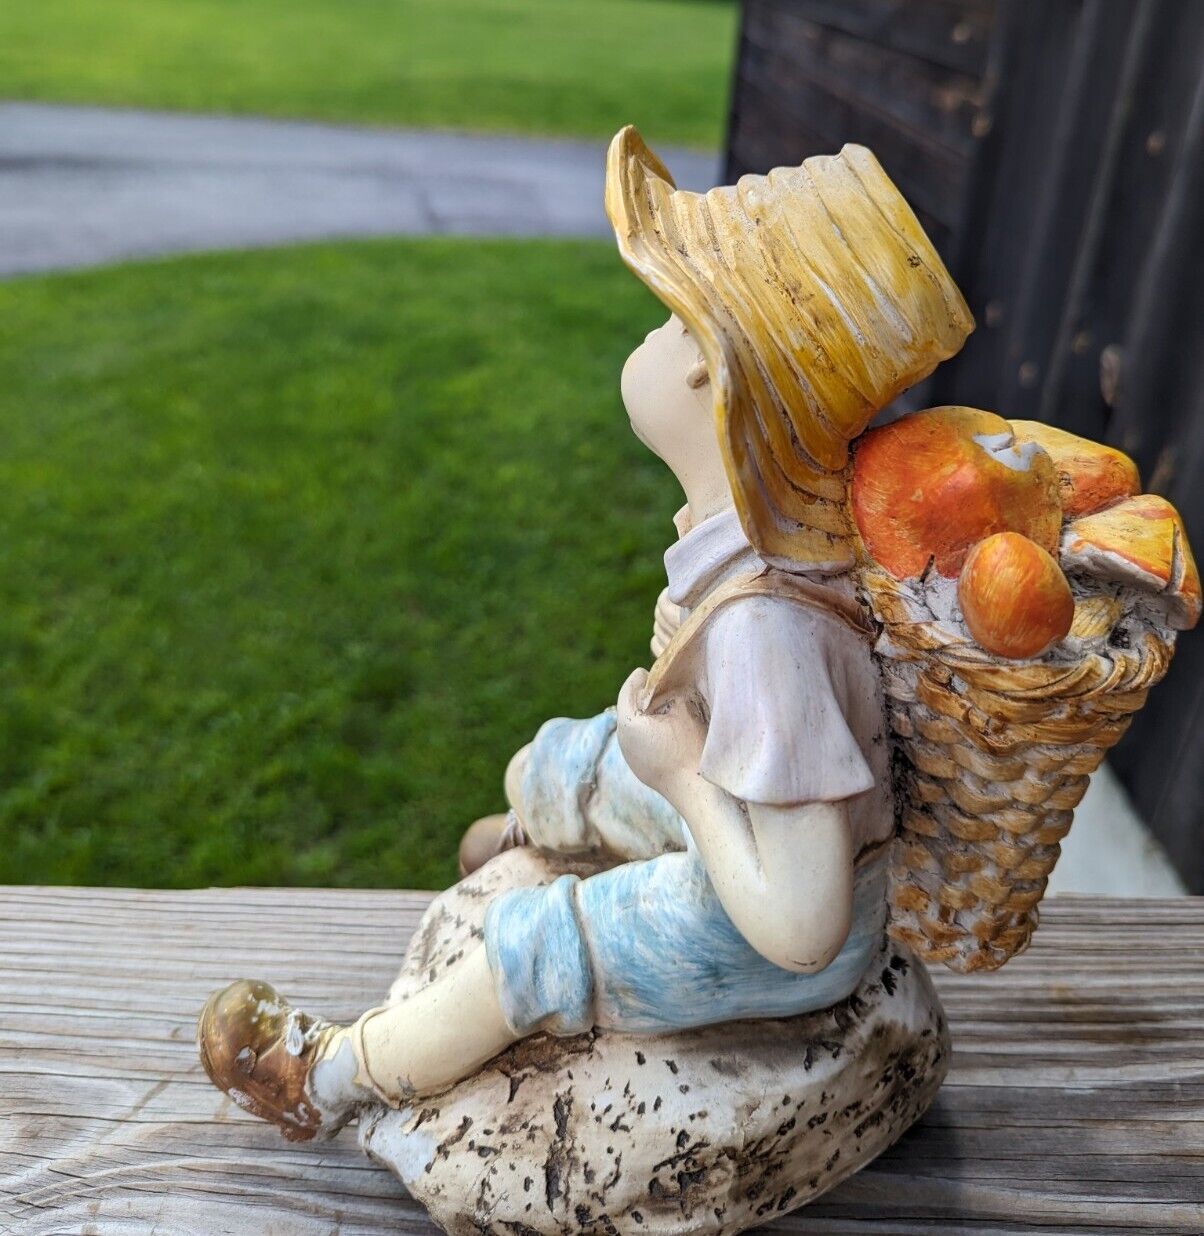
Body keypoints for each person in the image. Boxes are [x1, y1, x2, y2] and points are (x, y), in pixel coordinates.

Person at [197, 126, 972, 1141]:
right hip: (749, 815)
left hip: (772, 929)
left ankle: (330, 1078)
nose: (647, 339)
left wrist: (686, 776)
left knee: (538, 946)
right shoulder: (760, 545)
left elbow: (798, 921)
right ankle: (525, 832)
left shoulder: (768, 634)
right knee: (579, 754)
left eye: (666, 319)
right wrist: (665, 764)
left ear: (709, 373)